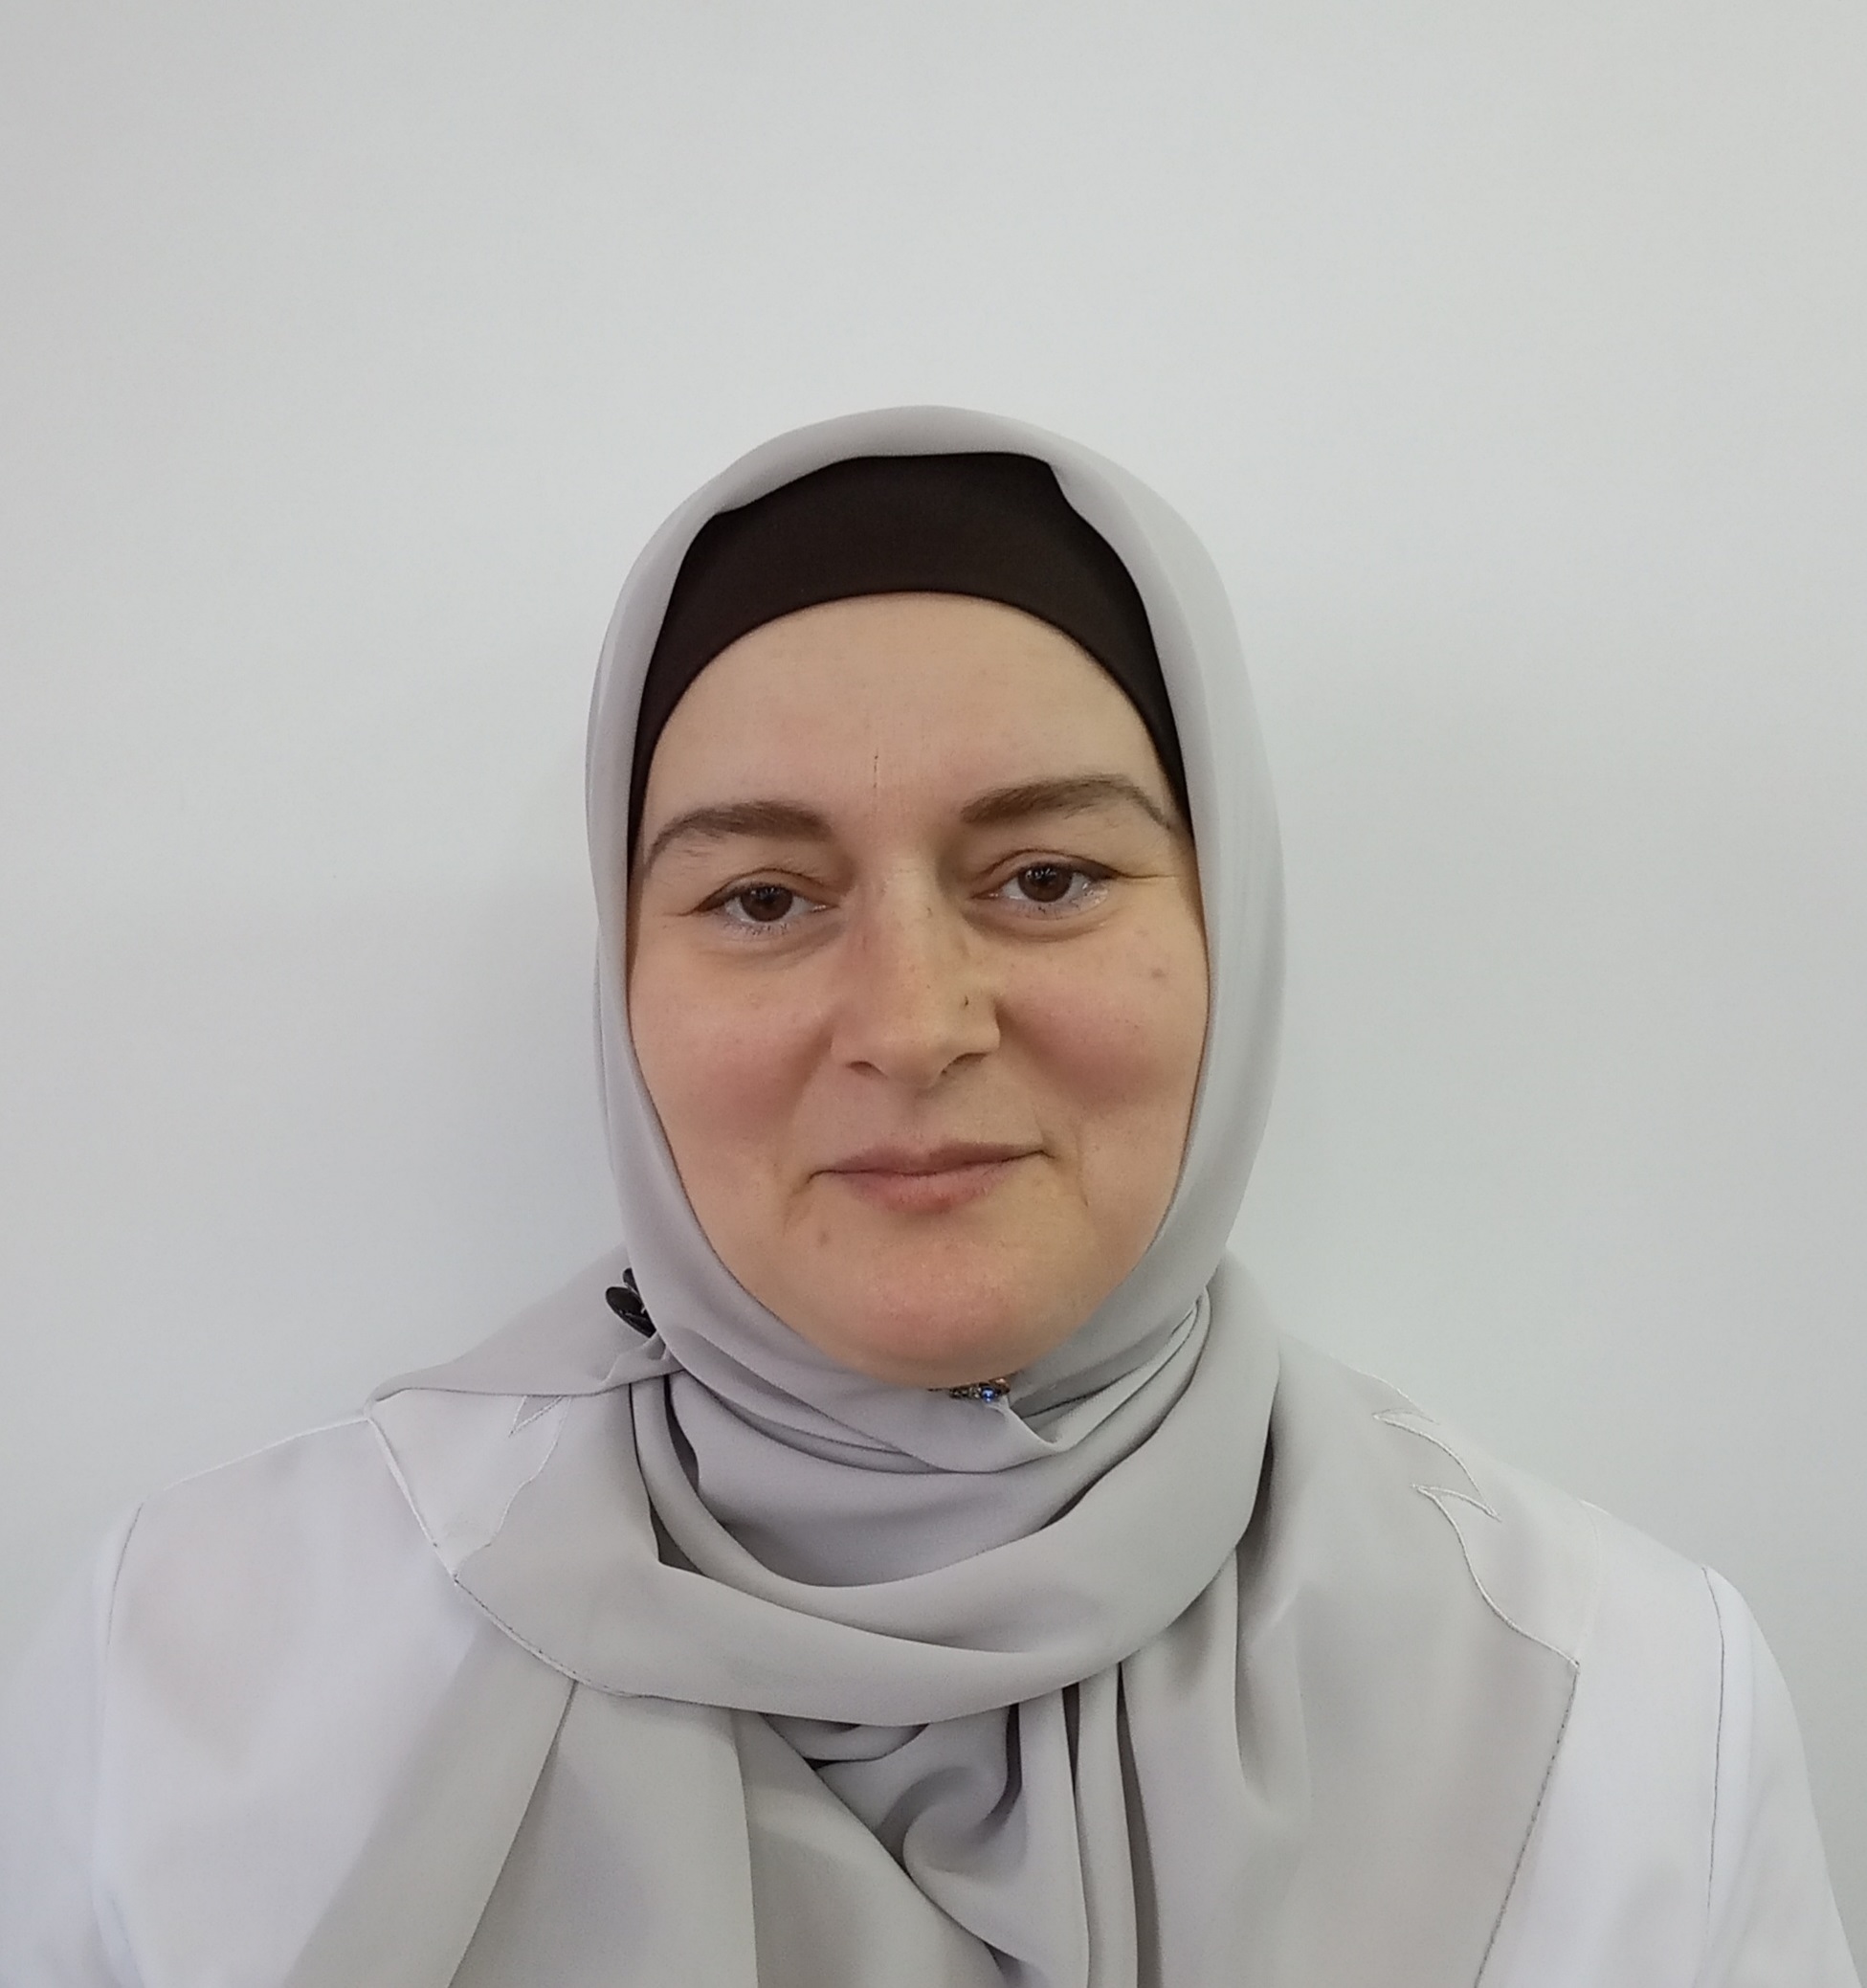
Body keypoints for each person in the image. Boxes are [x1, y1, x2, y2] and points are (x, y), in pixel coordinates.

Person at [0, 408, 1855, 1987]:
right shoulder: (201, 1653)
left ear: (1231, 926)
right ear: (625, 980)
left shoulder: (1619, 1710)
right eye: (762, 898)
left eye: (1045, 877)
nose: (910, 1022)